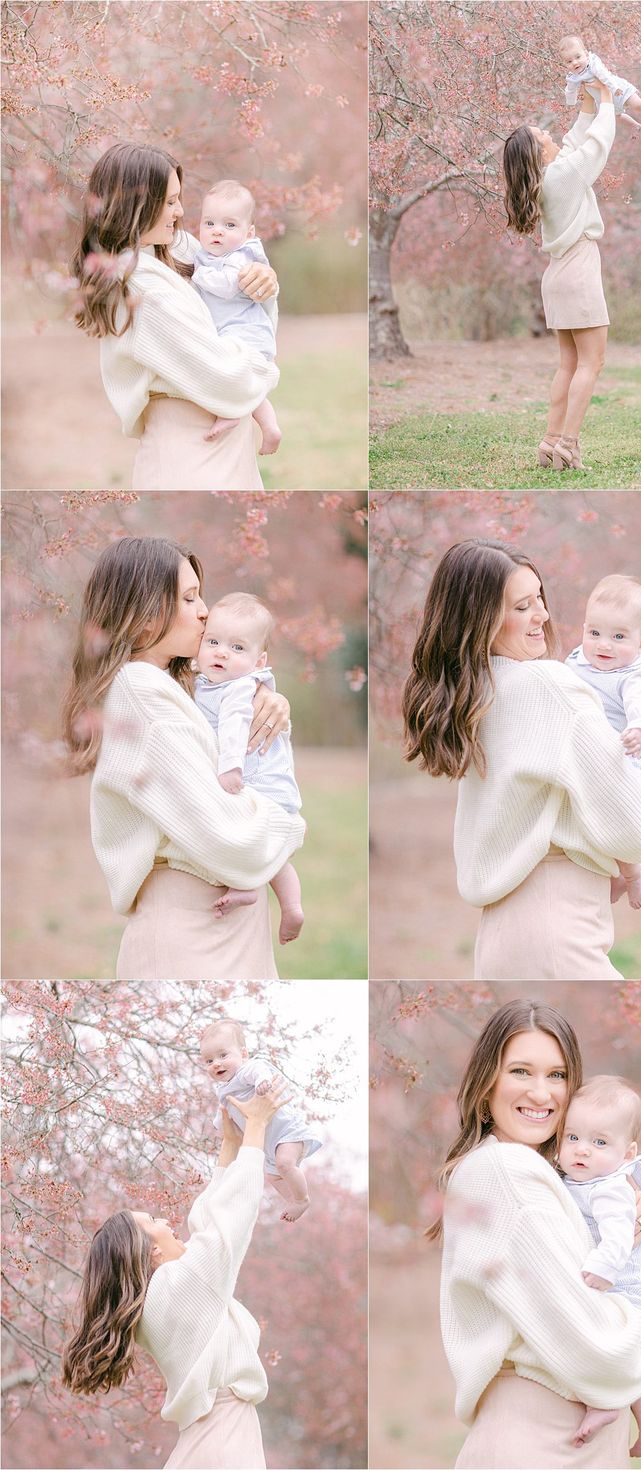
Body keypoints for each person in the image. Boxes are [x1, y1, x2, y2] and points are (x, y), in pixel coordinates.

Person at [402, 540, 641, 979]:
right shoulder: (549, 686)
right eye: (523, 606)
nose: (543, 615)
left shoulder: (475, 694)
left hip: (501, 934)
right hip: (555, 924)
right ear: (482, 620)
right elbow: (636, 831)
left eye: (539, 598)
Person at [434, 999, 641, 1469]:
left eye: (558, 1075)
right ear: (487, 1084)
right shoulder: (507, 1172)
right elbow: (590, 1334)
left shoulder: (552, 1176)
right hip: (540, 1436)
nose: (542, 1093)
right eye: (521, 1071)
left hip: (568, 1433)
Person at [61, 536, 305, 981]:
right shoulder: (141, 690)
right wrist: (289, 825)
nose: (204, 611)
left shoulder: (164, 687)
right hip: (192, 921)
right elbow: (226, 832)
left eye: (200, 595)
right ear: (145, 610)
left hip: (218, 917)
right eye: (189, 598)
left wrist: (265, 696)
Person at [61, 1079, 288, 1469]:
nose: (166, 1220)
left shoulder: (159, 1299)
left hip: (208, 1441)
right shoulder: (175, 1287)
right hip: (223, 1442)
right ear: (151, 1250)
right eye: (154, 1221)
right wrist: (256, 1126)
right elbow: (227, 1222)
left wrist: (230, 1146)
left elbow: (208, 1227)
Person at [71, 143, 279, 490]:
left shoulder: (177, 246)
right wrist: (263, 369)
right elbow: (230, 378)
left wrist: (263, 282)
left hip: (226, 442)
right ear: (138, 206)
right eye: (169, 201)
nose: (180, 210)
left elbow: (242, 308)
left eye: (178, 198)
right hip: (192, 449)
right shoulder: (141, 287)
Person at [502, 78, 615, 471]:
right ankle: (569, 445)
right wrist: (606, 98)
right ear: (538, 151)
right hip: (578, 270)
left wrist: (586, 99)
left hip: (557, 277)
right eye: (542, 134)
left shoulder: (549, 178)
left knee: (568, 364)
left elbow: (575, 140)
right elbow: (597, 144)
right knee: (591, 364)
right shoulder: (563, 176)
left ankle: (550, 443)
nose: (550, 133)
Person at [558, 1075, 641, 1457]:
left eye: (600, 1142)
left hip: (632, 1291)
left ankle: (604, 1405)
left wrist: (601, 1271)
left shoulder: (609, 1187)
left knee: (607, 1348)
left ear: (628, 1153)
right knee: (636, 1368)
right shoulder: (583, 1179)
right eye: (572, 1137)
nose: (583, 1150)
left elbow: (618, 1237)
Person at [194, 592, 304, 944]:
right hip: (266, 787)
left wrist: (230, 769)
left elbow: (234, 727)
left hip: (256, 783)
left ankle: (247, 887)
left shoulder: (240, 689)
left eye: (237, 648)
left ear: (260, 661)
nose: (222, 652)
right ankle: (290, 906)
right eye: (213, 642)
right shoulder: (210, 682)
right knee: (275, 857)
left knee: (237, 833)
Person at [566, 574, 641, 910]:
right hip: (585, 761)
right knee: (588, 820)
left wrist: (638, 729)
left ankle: (632, 871)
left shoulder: (632, 675)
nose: (604, 645)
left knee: (613, 817)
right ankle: (616, 873)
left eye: (619, 636)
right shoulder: (576, 663)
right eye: (595, 633)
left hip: (622, 761)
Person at [200, 1016, 321, 1223]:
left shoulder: (247, 1071)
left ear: (244, 1054)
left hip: (287, 1133)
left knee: (285, 1164)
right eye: (209, 1061)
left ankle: (302, 1199)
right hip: (268, 1146)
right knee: (274, 1176)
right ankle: (293, 1200)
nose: (216, 1064)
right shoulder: (223, 1090)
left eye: (223, 1055)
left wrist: (262, 1081)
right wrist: (220, 1125)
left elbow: (259, 1070)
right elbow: (225, 1111)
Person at [192, 180, 282, 454]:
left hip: (247, 333)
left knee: (229, 373)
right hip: (237, 333)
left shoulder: (242, 255)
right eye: (210, 223)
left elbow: (228, 285)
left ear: (248, 231)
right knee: (251, 388)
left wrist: (197, 276)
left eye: (230, 225)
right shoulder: (207, 254)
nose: (217, 231)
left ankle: (230, 413)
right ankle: (270, 428)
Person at [559, 35, 641, 131]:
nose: (575, 62)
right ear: (565, 64)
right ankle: (634, 124)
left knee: (638, 104)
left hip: (618, 89)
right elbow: (570, 90)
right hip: (603, 99)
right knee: (616, 118)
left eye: (578, 57)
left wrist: (614, 88)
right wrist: (571, 102)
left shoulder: (592, 64)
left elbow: (604, 75)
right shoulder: (573, 76)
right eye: (569, 61)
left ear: (585, 54)